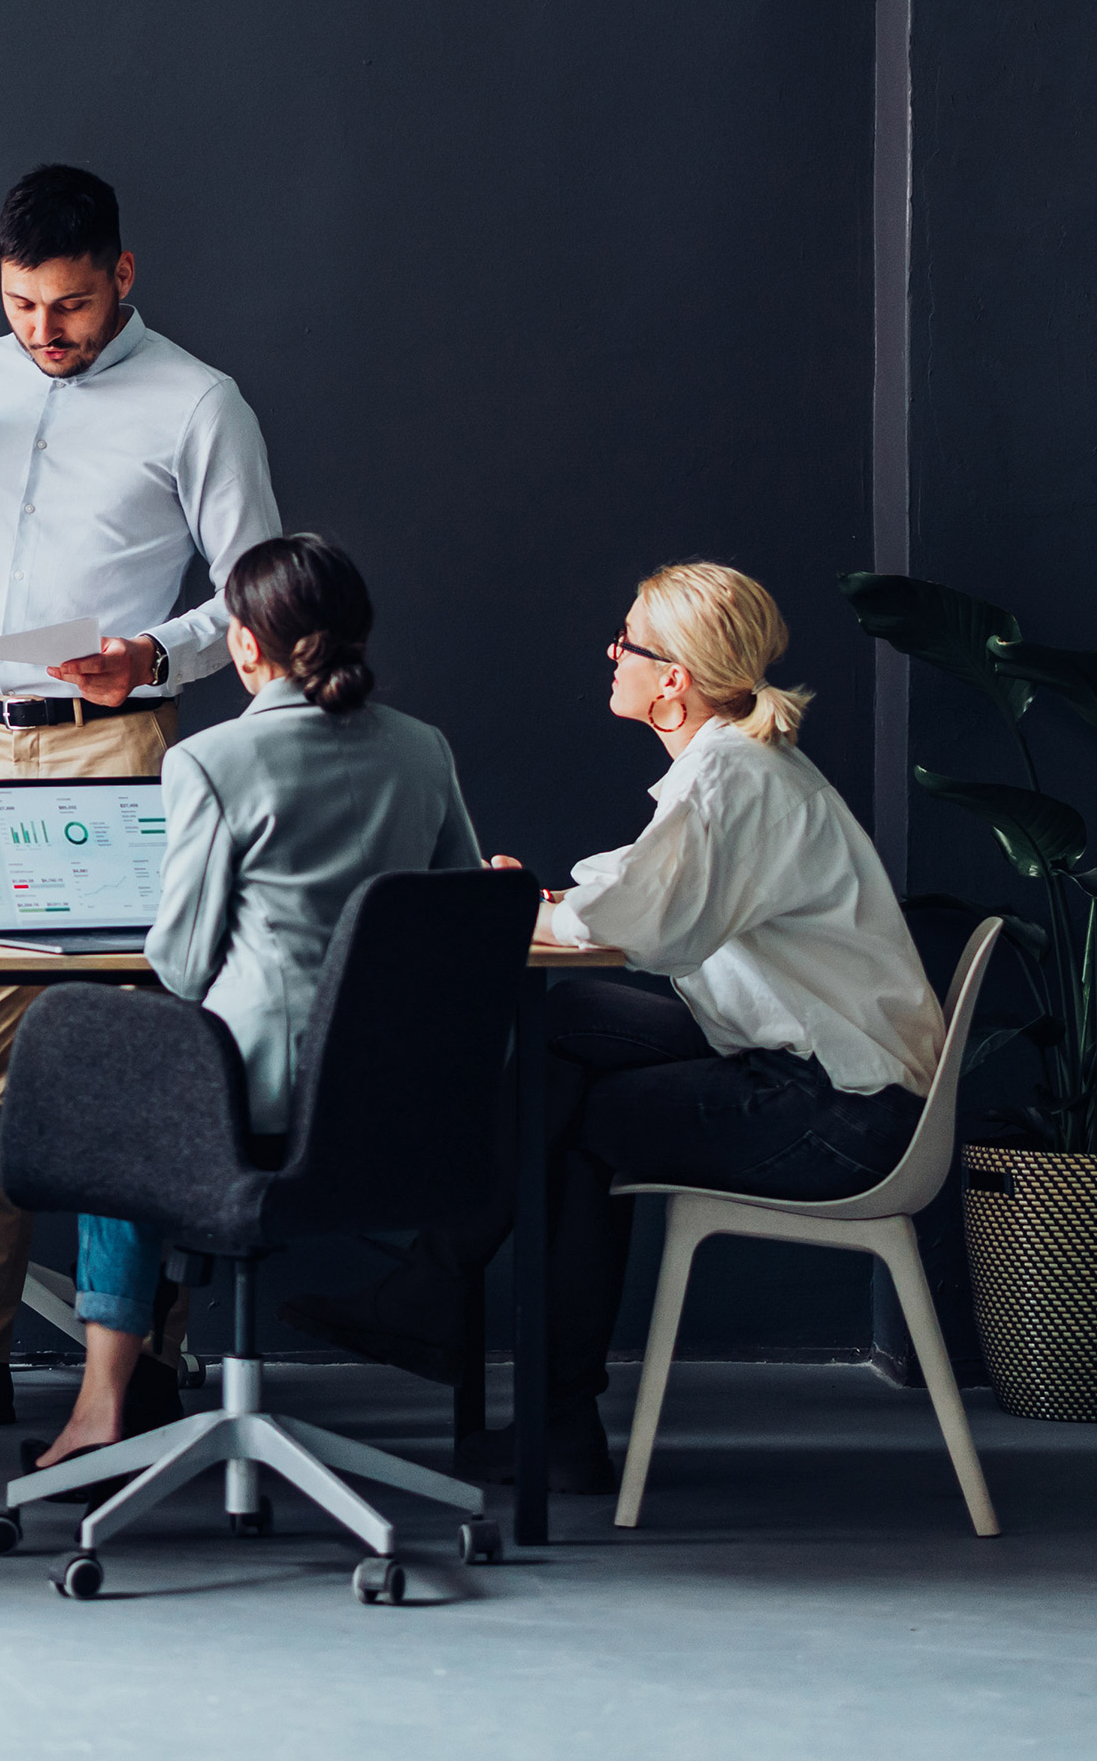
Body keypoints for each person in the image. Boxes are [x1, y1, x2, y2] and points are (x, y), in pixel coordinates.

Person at [287, 562, 947, 1493]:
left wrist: (529, 905)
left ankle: (484, 1342)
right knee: (568, 1025)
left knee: (568, 1124)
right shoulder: (736, 767)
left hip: (840, 1111)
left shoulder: (729, 775)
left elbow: (643, 917)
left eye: (627, 641)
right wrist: (552, 902)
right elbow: (648, 890)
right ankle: (459, 1315)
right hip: (815, 1071)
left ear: (671, 677)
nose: (611, 653)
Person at [0, 162, 283, 1433]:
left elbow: (259, 599)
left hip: (114, 743)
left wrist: (154, 656)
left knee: (132, 1051)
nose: (45, 332)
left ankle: (143, 1362)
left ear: (122, 276)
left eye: (69, 305)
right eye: (24, 304)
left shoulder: (199, 404)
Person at [30, 535, 482, 1480]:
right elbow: (462, 912)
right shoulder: (424, 750)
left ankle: (104, 1406)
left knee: (120, 1110)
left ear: (245, 645)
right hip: (406, 1102)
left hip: (266, 1099)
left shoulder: (211, 759)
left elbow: (184, 964)